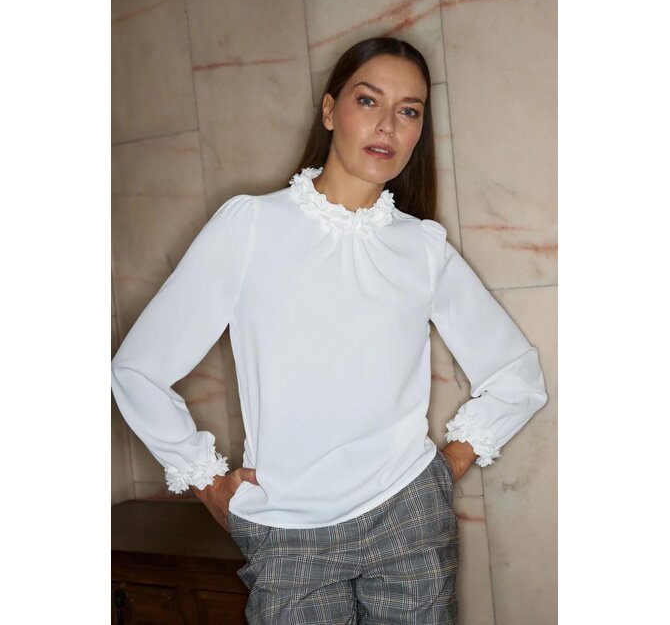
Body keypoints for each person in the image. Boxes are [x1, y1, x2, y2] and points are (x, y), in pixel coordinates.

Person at [111, 36, 548, 624]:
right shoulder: (251, 225)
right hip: (290, 537)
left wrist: (444, 471)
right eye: (368, 100)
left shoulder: (422, 248)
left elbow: (516, 377)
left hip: (410, 525)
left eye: (409, 110)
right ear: (329, 110)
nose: (388, 124)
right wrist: (208, 482)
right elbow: (137, 370)